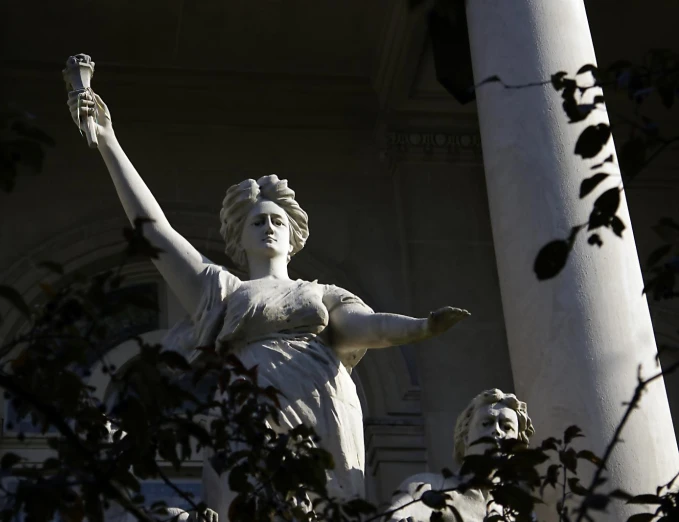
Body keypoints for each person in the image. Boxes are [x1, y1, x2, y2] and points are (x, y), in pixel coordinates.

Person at [67, 90, 470, 521]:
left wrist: (421, 326)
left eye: (277, 220)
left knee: (325, 505)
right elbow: (155, 232)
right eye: (257, 221)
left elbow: (367, 325)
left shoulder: (322, 294)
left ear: (294, 234)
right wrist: (109, 142)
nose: (269, 227)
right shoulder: (220, 289)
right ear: (238, 236)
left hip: (325, 401)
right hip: (250, 406)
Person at [385, 389, 534, 522]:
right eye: (486, 423)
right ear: (466, 437)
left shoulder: (519, 514)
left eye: (506, 427)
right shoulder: (426, 488)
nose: (497, 431)